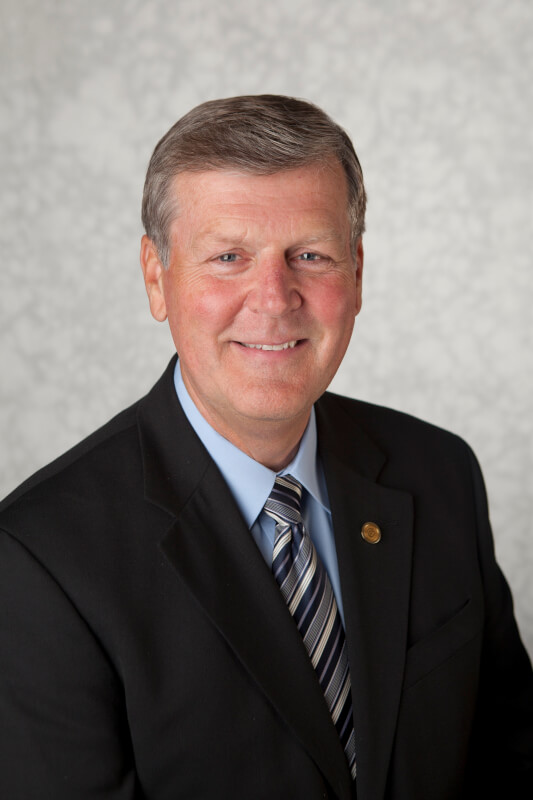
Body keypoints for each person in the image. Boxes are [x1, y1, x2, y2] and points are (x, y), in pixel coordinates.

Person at [0, 95, 532, 800]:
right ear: (156, 279)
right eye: (227, 257)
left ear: (357, 273)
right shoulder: (39, 560)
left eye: (309, 255)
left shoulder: (438, 473)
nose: (274, 297)